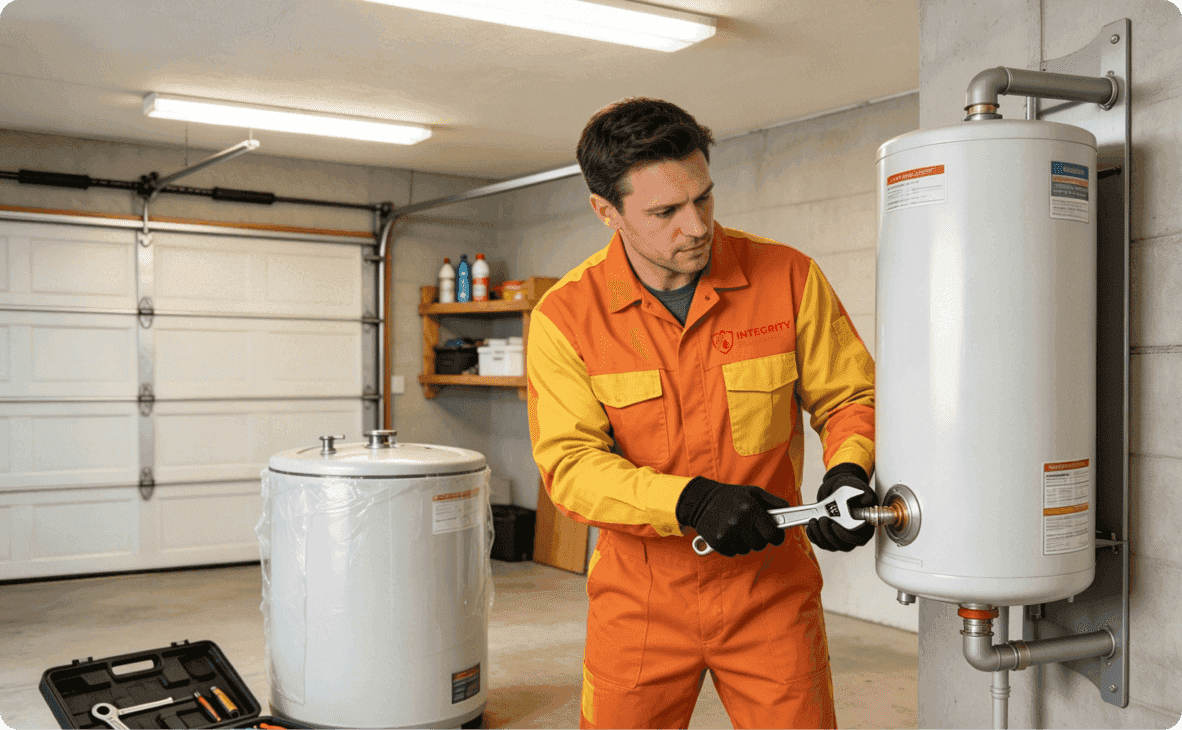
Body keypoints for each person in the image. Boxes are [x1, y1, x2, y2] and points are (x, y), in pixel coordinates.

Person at [526, 97, 876, 730]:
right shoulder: (566, 316)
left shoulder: (787, 277)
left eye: (705, 199)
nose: (696, 226)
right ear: (606, 211)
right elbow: (571, 468)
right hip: (641, 599)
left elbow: (850, 397)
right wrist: (688, 502)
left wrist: (848, 471)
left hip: (769, 589)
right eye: (665, 211)